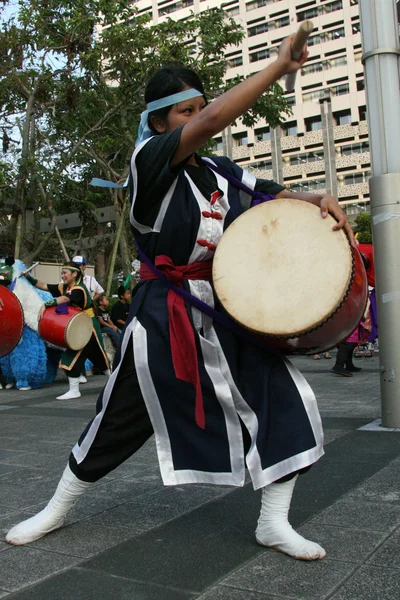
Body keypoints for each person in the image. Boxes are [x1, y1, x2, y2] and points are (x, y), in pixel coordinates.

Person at [6, 36, 354, 560]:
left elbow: (270, 195)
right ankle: (56, 509)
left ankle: (273, 521)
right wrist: (278, 64)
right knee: (119, 417)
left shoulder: (216, 171)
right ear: (161, 122)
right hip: (163, 312)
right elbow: (214, 121)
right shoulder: (149, 162)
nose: (198, 116)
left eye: (199, 105)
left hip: (222, 310)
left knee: (284, 397)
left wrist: (317, 197)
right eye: (185, 111)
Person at [20, 261, 110, 399]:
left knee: (75, 357)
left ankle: (76, 390)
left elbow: (65, 298)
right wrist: (28, 277)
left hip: (88, 326)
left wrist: (47, 304)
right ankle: (111, 382)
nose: (62, 276)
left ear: (74, 274)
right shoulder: (66, 287)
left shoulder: (79, 289)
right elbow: (44, 286)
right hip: (80, 326)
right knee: (99, 359)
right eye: (62, 273)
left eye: (65, 273)